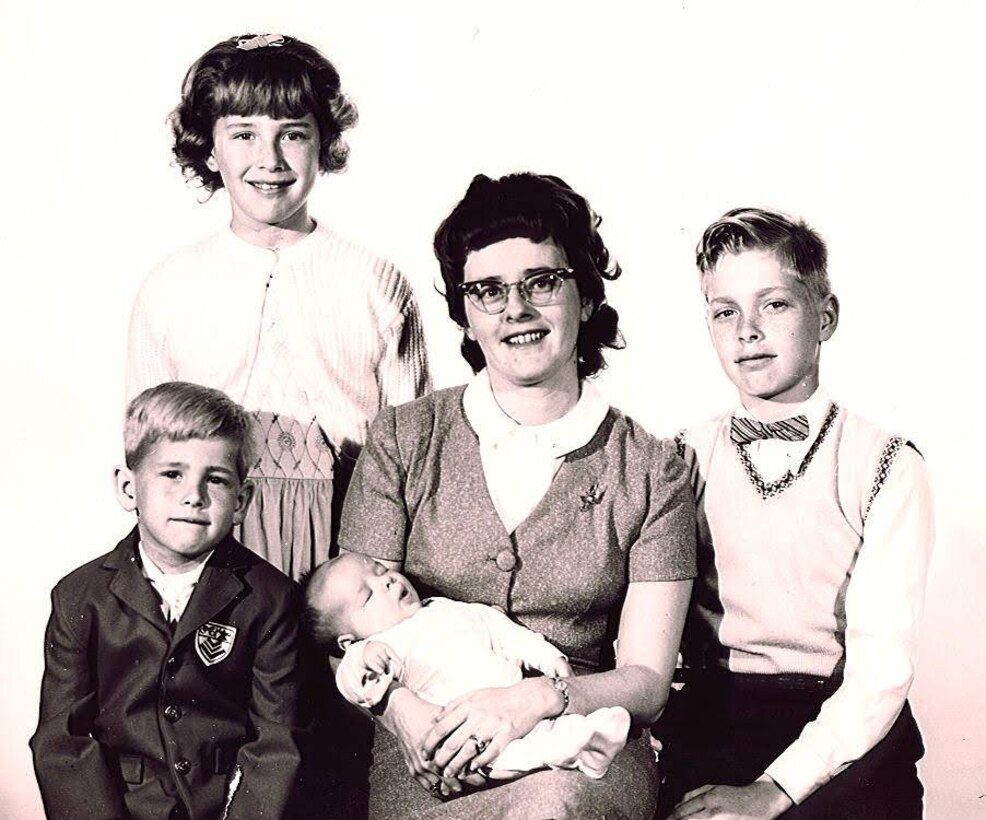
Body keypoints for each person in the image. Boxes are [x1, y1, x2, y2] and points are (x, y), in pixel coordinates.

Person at [337, 172, 697, 819]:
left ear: (585, 297)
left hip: (579, 748)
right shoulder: (402, 438)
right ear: (466, 316)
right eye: (489, 291)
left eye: (541, 282)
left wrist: (537, 700)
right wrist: (406, 715)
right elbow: (349, 621)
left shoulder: (652, 469)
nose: (515, 309)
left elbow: (646, 681)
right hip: (428, 744)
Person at [658, 208, 934, 819]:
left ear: (825, 316)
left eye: (774, 304)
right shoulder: (680, 457)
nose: (746, 330)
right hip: (716, 720)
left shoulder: (886, 464)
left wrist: (773, 791)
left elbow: (881, 672)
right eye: (724, 311)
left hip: (848, 733)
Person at [127, 33, 430, 580]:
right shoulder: (169, 286)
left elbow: (414, 446)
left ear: (324, 143)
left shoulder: (375, 281)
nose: (269, 160)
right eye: (243, 134)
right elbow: (147, 448)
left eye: (292, 134)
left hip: (350, 545)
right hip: (209, 542)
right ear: (210, 146)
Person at [30, 381, 304, 819]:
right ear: (127, 487)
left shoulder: (271, 597)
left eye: (215, 479)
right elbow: (64, 743)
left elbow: (278, 741)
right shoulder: (79, 596)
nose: (193, 495)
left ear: (241, 501)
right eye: (172, 473)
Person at [304, 553, 634, 782]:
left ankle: (582, 739)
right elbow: (350, 680)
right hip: (462, 731)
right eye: (368, 596)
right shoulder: (380, 647)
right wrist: (365, 659)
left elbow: (506, 634)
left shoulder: (447, 608)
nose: (387, 582)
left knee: (539, 729)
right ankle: (580, 750)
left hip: (515, 702)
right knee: (509, 754)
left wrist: (551, 659)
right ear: (347, 640)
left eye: (379, 570)